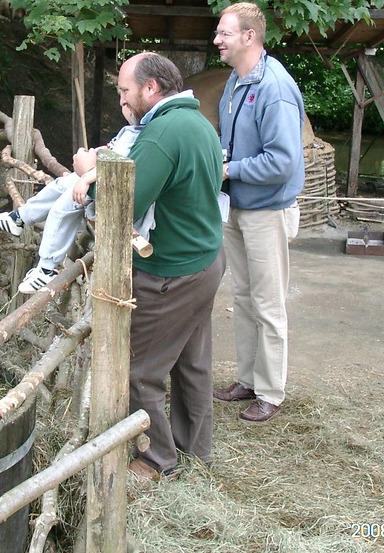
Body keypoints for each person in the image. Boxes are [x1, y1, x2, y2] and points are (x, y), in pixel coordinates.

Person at [118, 51, 227, 480]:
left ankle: (157, 459)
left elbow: (121, 203)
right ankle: (195, 451)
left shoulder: (162, 133)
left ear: (150, 87)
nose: (122, 101)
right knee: (191, 364)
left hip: (172, 272)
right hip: (204, 261)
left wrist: (89, 173)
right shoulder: (197, 122)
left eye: (125, 91)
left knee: (138, 370)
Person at [211, 2, 305, 424]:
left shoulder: (275, 88)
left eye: (225, 33)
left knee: (268, 303)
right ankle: (248, 380)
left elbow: (282, 162)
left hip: (267, 211)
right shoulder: (236, 81)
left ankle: (270, 392)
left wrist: (229, 169)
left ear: (250, 36)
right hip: (238, 207)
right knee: (244, 297)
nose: (217, 40)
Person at [0, 105, 154, 294]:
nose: (122, 102)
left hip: (109, 195)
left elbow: (118, 165)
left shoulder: (146, 135)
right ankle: (19, 217)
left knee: (63, 206)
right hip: (99, 181)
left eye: (125, 94)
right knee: (61, 184)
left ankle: (47, 268)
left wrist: (86, 176)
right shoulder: (133, 130)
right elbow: (110, 153)